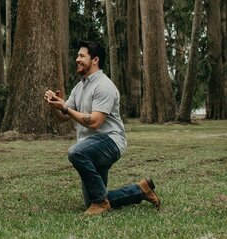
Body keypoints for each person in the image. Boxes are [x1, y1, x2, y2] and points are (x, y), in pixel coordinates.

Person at [44, 41, 161, 216]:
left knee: (75, 153)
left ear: (95, 60)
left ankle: (100, 202)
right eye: (78, 56)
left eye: (82, 56)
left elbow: (95, 122)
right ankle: (141, 190)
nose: (77, 59)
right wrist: (55, 105)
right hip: (90, 146)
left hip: (109, 142)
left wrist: (65, 107)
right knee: (93, 200)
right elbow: (63, 118)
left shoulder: (104, 86)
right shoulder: (80, 86)